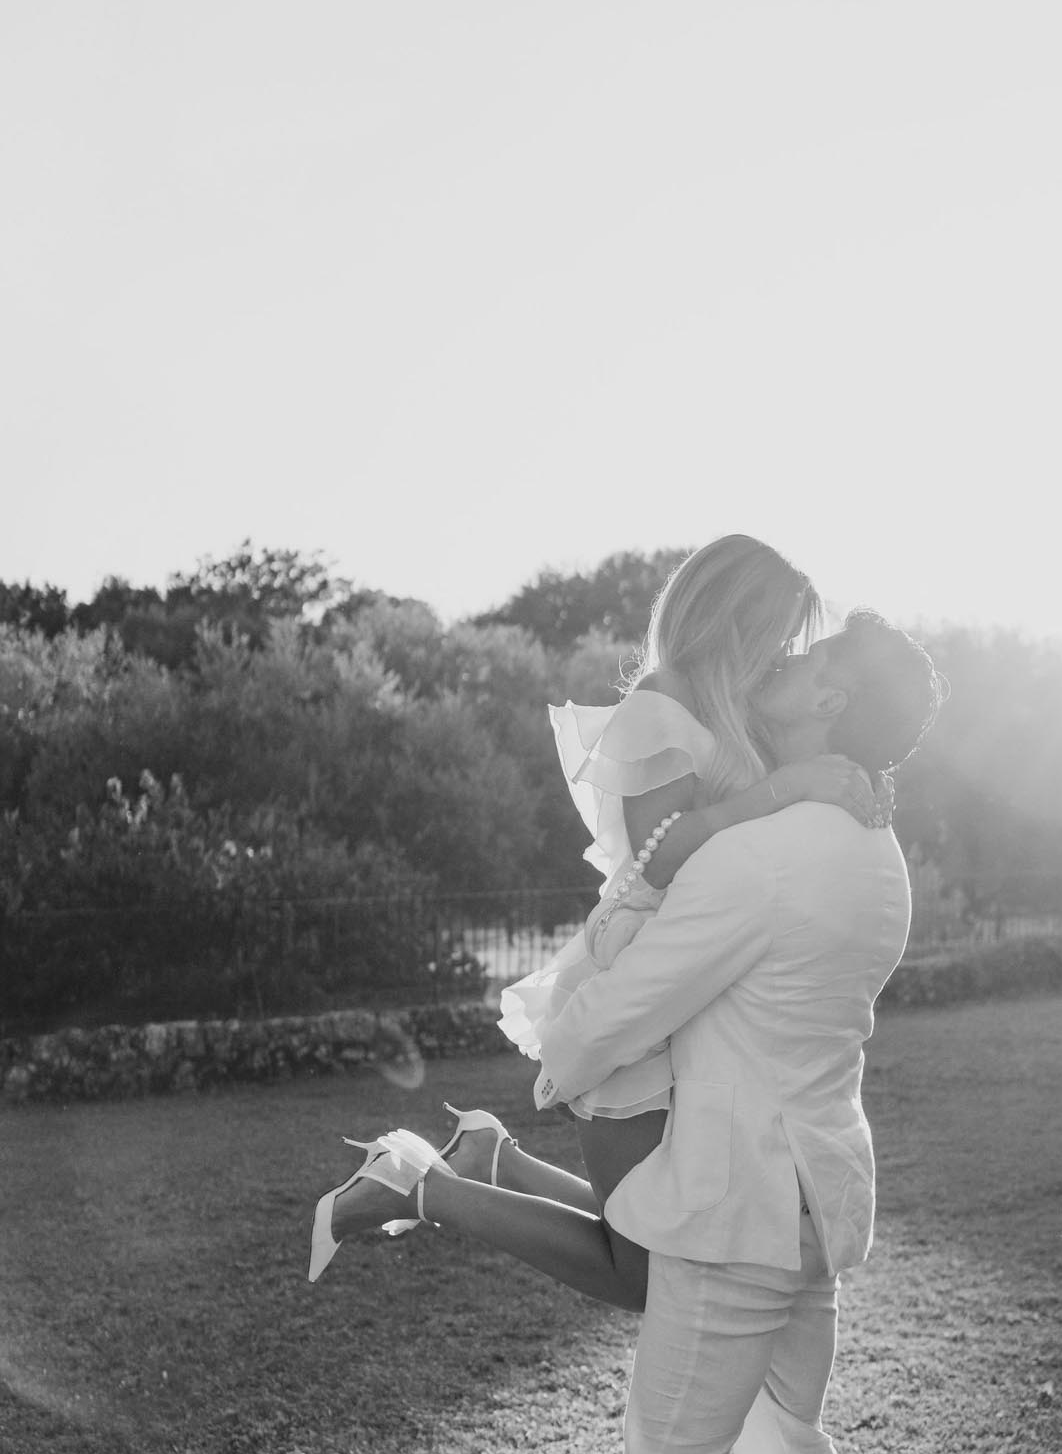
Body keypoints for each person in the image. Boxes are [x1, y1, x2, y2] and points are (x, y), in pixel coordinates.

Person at [313, 610, 944, 1454]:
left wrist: (566, 1048)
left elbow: (627, 1012)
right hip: (808, 1192)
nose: (785, 663)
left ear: (830, 705)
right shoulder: (874, 845)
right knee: (777, 1433)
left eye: (810, 660)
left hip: (736, 1207)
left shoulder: (769, 854)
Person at [311, 534, 886, 1284]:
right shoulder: (664, 701)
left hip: (692, 988)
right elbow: (663, 851)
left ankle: (494, 1156)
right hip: (639, 978)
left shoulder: (732, 711)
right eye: (779, 637)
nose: (785, 655)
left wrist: (857, 773)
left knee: (652, 1228)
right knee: (639, 1270)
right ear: (734, 619)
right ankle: (417, 1187)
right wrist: (789, 787)